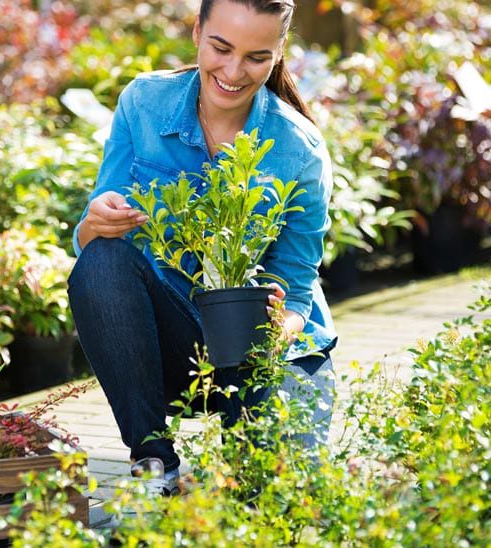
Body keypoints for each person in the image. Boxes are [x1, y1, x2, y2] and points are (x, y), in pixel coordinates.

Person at [68, 0, 337, 495]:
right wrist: (93, 225)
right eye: (220, 47)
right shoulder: (145, 104)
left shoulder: (298, 148)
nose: (233, 72)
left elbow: (297, 287)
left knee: (273, 494)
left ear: (279, 54)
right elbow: (91, 241)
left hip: (266, 346)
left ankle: (241, 452)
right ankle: (154, 462)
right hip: (174, 341)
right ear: (197, 32)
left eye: (257, 57)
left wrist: (281, 327)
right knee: (102, 260)